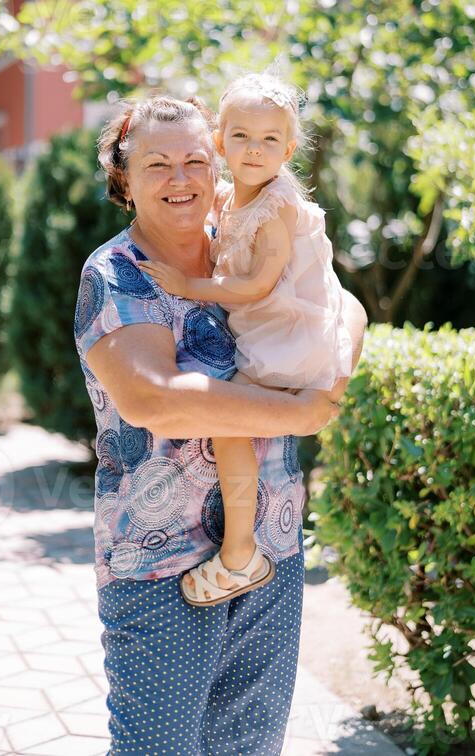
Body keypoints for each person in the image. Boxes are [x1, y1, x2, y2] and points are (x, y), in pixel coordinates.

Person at [74, 93, 367, 755]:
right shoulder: (116, 275)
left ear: (218, 166)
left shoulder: (246, 238)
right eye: (157, 165)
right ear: (125, 178)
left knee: (250, 748)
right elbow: (155, 399)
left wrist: (330, 388)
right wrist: (297, 411)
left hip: (270, 548)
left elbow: (346, 310)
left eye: (195, 161)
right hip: (158, 563)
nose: (181, 179)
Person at [139, 69, 354, 607]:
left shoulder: (277, 206)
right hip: (271, 330)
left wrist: (191, 285)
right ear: (219, 142)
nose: (254, 150)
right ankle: (245, 543)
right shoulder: (233, 196)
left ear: (290, 148)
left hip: (285, 335)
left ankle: (240, 552)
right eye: (240, 137)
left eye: (269, 140)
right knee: (239, 425)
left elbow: (258, 284)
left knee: (228, 426)